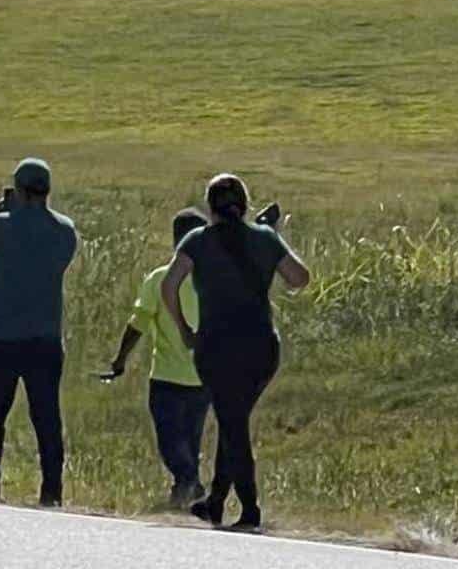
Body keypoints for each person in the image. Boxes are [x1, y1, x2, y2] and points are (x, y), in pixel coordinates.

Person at [161, 174, 310, 533]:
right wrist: (272, 240)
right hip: (261, 347)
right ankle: (215, 501)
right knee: (234, 419)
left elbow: (169, 285)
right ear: (244, 204)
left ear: (210, 208)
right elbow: (299, 278)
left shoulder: (197, 241)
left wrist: (184, 329)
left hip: (216, 346)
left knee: (233, 422)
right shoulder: (264, 238)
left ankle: (249, 509)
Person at [0, 159, 77, 507]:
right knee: (47, 415)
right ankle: (52, 489)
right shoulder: (65, 230)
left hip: (3, 333)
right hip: (45, 335)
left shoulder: (0, 227)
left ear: (21, 188)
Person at [106, 207, 208, 508]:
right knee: (190, 438)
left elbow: (137, 323)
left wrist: (121, 359)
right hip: (204, 378)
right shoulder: (214, 281)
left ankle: (189, 481)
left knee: (170, 440)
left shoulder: (161, 278)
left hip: (167, 376)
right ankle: (186, 487)